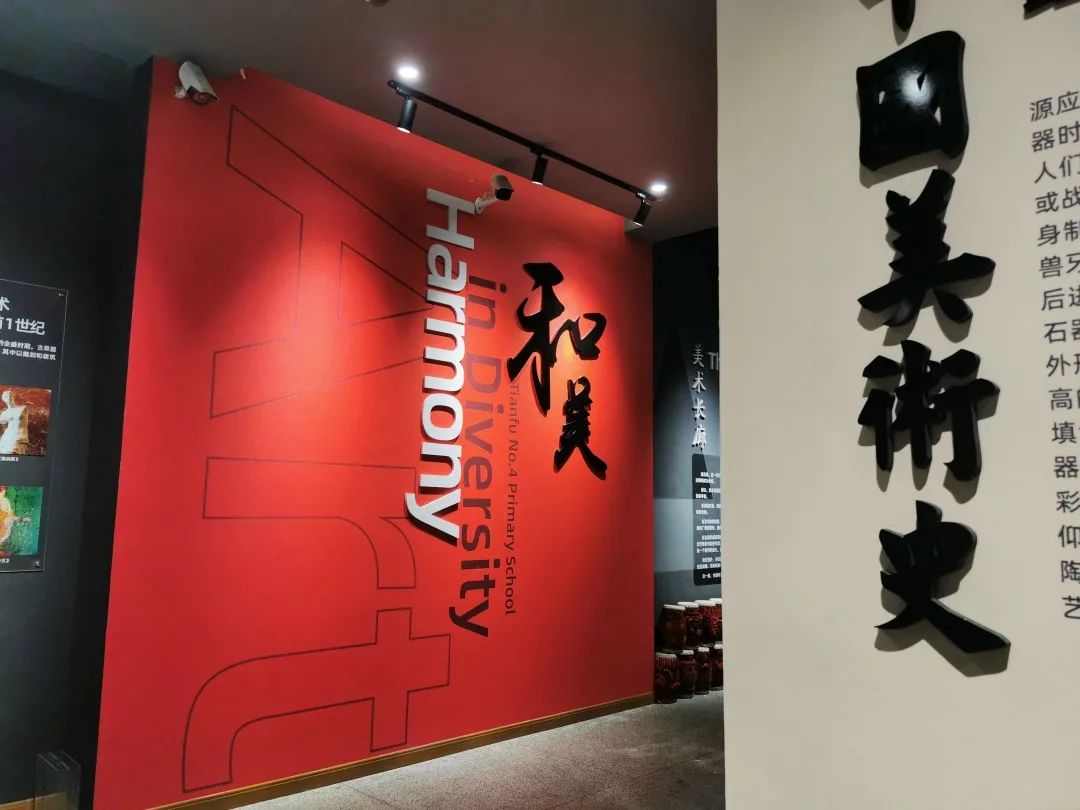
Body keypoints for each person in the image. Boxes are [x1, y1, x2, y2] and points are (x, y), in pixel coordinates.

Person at [0, 390, 29, 455]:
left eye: (10, 396)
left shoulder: (22, 408)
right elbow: (2, 423)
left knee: (13, 452)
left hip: (19, 436)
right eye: (6, 396)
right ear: (4, 400)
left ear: (13, 397)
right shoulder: (4, 413)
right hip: (7, 437)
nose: (9, 397)